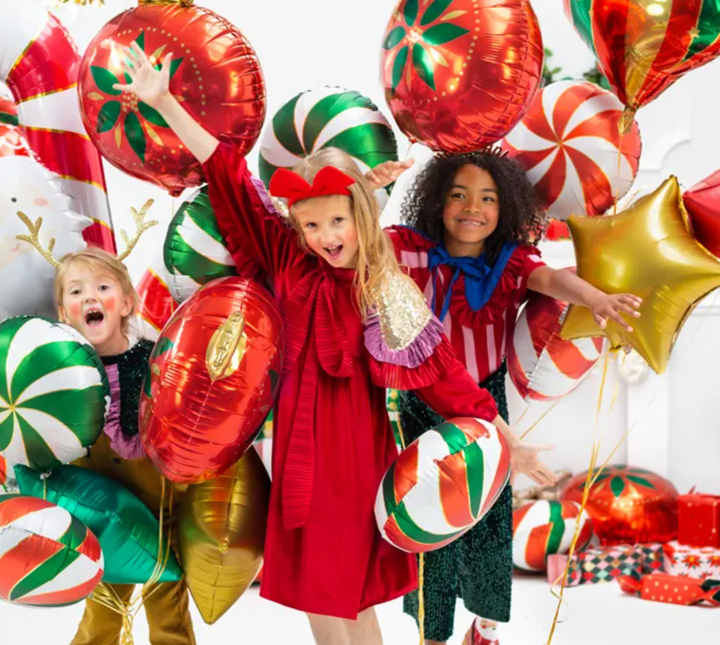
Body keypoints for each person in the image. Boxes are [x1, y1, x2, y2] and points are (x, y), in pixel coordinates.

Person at [112, 45, 552, 645]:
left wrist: (506, 441)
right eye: (312, 224)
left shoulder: (382, 285)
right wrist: (165, 102)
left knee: (343, 594)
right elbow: (229, 176)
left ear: (359, 214)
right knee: (329, 598)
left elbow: (445, 376)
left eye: (337, 222)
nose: (325, 237)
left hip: (353, 451)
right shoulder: (285, 257)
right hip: (296, 443)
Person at [381, 150, 641, 645]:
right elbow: (367, 249)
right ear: (437, 201)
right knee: (433, 518)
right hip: (421, 401)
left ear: (506, 209)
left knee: (490, 519)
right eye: (458, 195)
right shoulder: (409, 250)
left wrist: (596, 299)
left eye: (487, 198)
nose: (471, 207)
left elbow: (555, 280)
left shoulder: (511, 261)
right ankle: (431, 632)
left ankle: (486, 626)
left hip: (486, 399)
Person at [56, 247, 196, 645]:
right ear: (64, 311)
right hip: (99, 517)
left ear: (128, 303)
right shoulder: (60, 370)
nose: (90, 298)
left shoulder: (154, 361)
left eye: (103, 287)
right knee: (100, 616)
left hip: (159, 511)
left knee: (168, 616)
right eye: (76, 291)